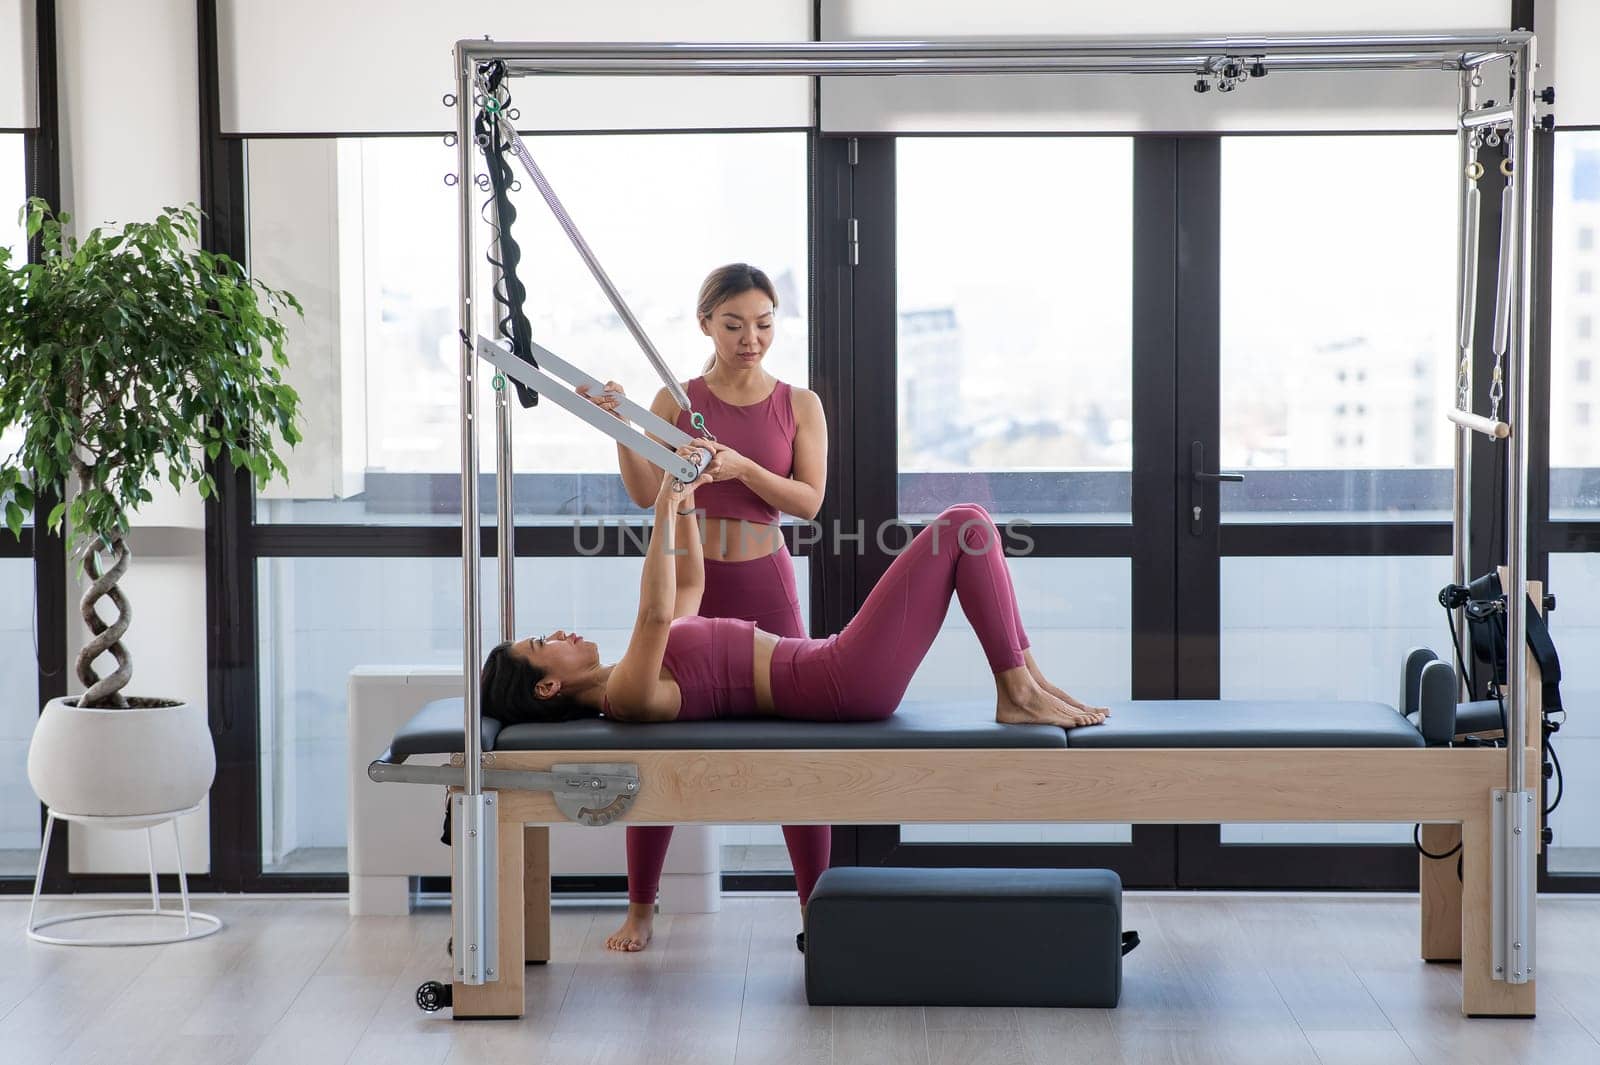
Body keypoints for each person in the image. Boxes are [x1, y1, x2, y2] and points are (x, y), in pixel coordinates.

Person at [480, 467, 1112, 914]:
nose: (559, 632)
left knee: (969, 527)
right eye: (543, 643)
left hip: (831, 665)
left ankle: (1026, 681)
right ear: (548, 688)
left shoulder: (632, 671)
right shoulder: (628, 694)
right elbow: (654, 613)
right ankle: (1017, 689)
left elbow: (689, 584)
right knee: (964, 525)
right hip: (841, 679)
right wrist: (662, 507)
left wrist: (688, 505)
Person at [576, 264, 830, 952]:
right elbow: (642, 491)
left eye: (766, 322)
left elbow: (809, 502)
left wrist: (740, 466)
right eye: (735, 323)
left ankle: (817, 910)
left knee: (797, 753)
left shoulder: (799, 403)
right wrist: (618, 429)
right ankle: (641, 907)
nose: (753, 338)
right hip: (690, 581)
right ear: (705, 324)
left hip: (766, 583)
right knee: (657, 744)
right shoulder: (675, 398)